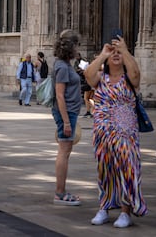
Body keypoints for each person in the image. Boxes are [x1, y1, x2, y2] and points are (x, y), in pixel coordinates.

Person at [85, 35, 147, 227]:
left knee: (127, 170)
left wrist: (125, 50)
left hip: (125, 134)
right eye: (114, 52)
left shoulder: (129, 79)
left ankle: (125, 212)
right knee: (105, 170)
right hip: (102, 133)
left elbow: (136, 73)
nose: (116, 55)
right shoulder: (100, 78)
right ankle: (104, 207)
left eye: (119, 52)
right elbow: (88, 75)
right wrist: (103, 55)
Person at [52, 29, 82, 206]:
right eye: (77, 45)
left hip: (69, 112)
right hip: (66, 113)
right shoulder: (62, 67)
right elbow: (60, 95)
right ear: (71, 47)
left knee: (65, 151)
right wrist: (65, 122)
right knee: (64, 152)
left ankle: (61, 191)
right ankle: (60, 193)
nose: (78, 49)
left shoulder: (64, 64)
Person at [74, 53, 93, 117]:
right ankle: (89, 111)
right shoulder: (76, 62)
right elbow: (75, 69)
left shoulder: (84, 62)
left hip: (87, 83)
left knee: (87, 98)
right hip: (85, 83)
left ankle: (90, 111)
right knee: (87, 98)